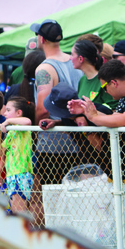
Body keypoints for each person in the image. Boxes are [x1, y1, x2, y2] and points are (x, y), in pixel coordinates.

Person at [30, 19, 82, 222]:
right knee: (76, 199)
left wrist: (34, 131)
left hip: (53, 144)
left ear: (41, 39)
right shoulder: (75, 61)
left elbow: (43, 109)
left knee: (52, 199)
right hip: (80, 140)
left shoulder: (44, 69)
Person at [0, 97, 35, 214]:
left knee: (19, 214)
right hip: (11, 174)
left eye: (8, 110)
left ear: (18, 113)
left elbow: (28, 121)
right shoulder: (11, 131)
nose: (5, 113)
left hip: (21, 173)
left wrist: (7, 122)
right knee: (15, 211)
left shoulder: (22, 128)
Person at [72, 39, 115, 109]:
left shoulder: (103, 80)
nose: (70, 58)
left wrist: (89, 118)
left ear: (80, 59)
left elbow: (115, 110)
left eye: (72, 54)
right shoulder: (82, 80)